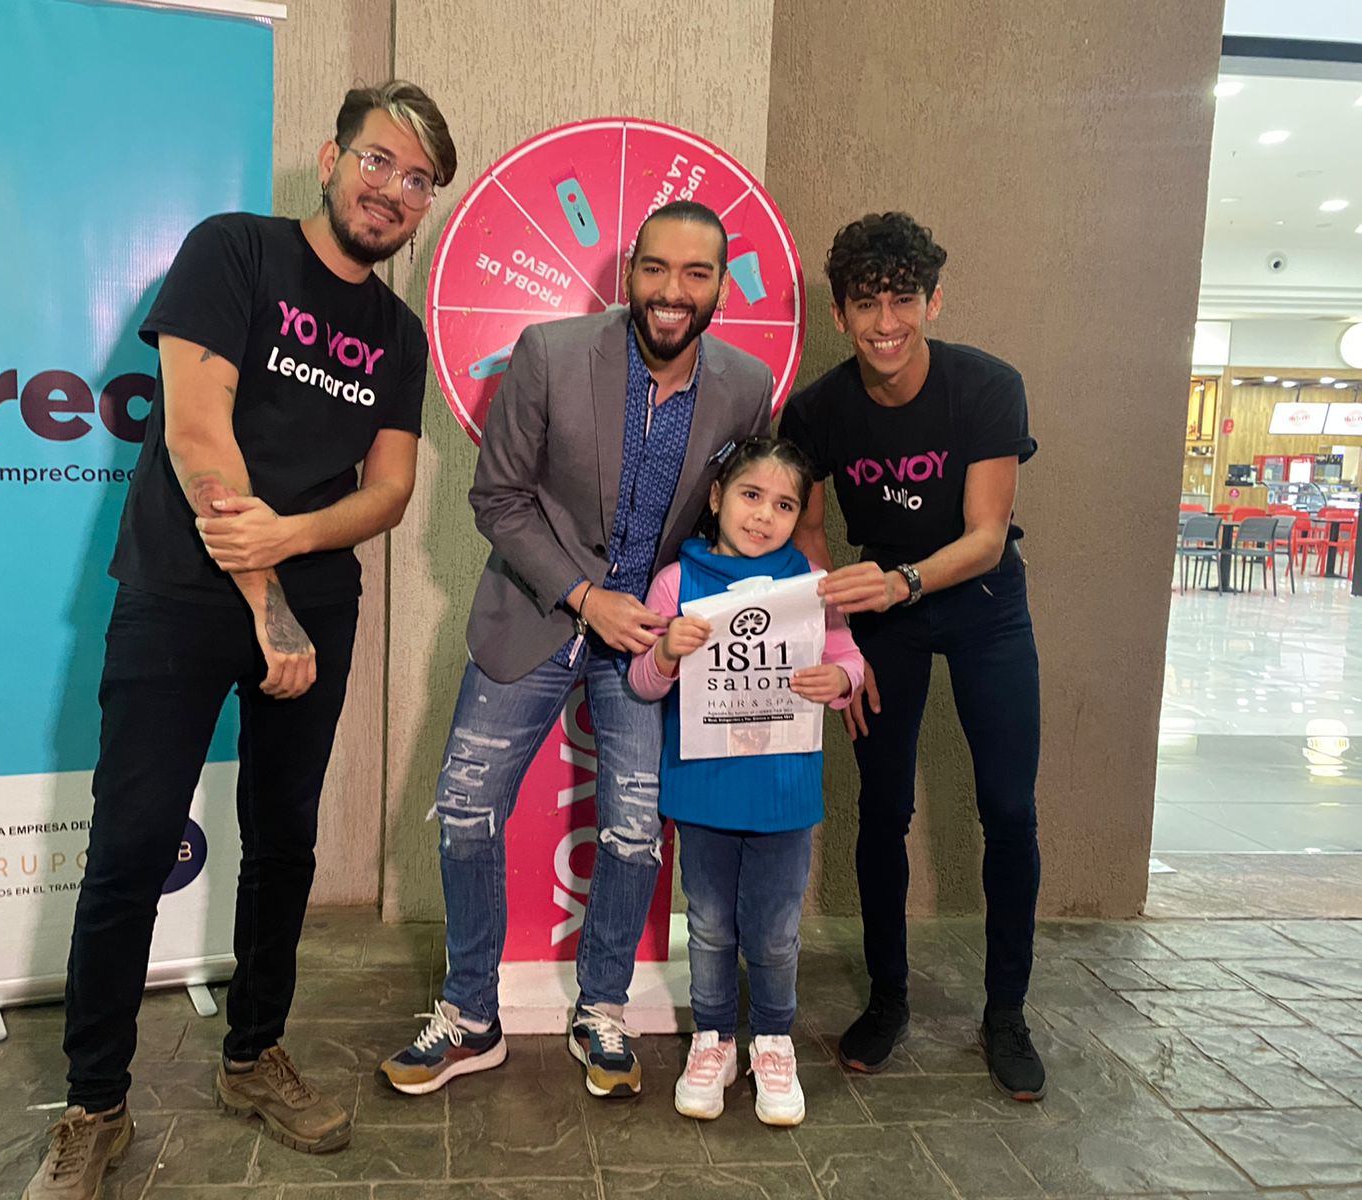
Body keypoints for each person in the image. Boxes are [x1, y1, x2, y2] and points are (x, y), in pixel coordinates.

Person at [22, 81, 457, 1200]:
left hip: (317, 602)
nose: (393, 190)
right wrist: (265, 595)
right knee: (129, 849)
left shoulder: (397, 335)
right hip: (181, 593)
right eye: (379, 161)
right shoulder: (233, 253)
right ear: (330, 157)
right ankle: (96, 1105)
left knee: (284, 845)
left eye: (417, 181)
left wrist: (300, 538)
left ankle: (253, 1052)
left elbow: (392, 490)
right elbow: (196, 428)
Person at [380, 201, 775, 1100]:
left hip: (646, 641)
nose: (673, 292)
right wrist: (586, 595)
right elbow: (498, 498)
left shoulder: (747, 387)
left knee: (635, 834)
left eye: (697, 274)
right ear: (629, 271)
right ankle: (470, 1013)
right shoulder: (551, 354)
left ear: (720, 284)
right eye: (657, 269)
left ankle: (602, 1008)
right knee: (467, 806)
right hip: (539, 610)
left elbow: (743, 515)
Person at [778, 211, 1045, 1101]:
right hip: (882, 621)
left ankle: (1006, 1010)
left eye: (903, 299)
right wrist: (844, 643)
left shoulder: (987, 387)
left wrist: (895, 583)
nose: (886, 321)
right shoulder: (817, 410)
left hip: (980, 607)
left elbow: (984, 536)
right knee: (882, 809)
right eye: (866, 303)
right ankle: (888, 999)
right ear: (843, 314)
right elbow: (811, 537)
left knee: (1008, 807)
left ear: (934, 298)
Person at [626, 436, 864, 1125]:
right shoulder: (677, 582)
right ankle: (713, 1038)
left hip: (784, 791)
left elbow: (851, 661)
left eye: (785, 504)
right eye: (751, 496)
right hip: (703, 791)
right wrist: (667, 650)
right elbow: (642, 681)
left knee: (777, 928)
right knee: (707, 925)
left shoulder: (811, 584)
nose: (764, 516)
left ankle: (774, 1040)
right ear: (716, 498)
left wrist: (840, 680)